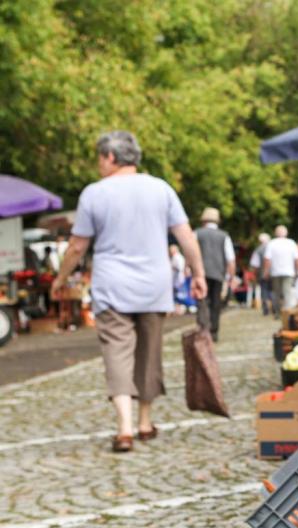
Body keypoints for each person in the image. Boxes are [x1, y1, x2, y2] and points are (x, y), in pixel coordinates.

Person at [50, 130, 206, 453]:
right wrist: (199, 274)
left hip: (112, 286)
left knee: (116, 352)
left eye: (99, 158)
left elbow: (77, 246)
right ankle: (145, 422)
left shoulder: (94, 193)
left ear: (110, 157)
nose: (98, 164)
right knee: (149, 351)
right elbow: (186, 236)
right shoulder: (161, 188)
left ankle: (124, 429)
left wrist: (60, 278)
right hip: (154, 285)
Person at [195, 207, 235, 342]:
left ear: (204, 220)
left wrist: (189, 268)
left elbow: (191, 253)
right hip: (218, 273)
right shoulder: (224, 236)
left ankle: (203, 329)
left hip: (200, 273)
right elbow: (230, 259)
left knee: (202, 301)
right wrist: (230, 277)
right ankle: (214, 331)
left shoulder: (197, 233)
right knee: (215, 302)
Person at [262, 225, 298, 318]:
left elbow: (267, 259)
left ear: (276, 233)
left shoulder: (272, 243)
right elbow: (297, 259)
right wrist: (297, 270)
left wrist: (266, 271)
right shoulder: (291, 243)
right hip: (288, 272)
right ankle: (288, 314)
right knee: (287, 293)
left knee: (276, 293)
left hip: (275, 272)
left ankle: (278, 313)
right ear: (286, 233)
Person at [250, 233, 272, 314]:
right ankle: (274, 307)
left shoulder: (258, 250)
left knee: (264, 290)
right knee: (273, 290)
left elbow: (255, 264)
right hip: (274, 273)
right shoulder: (274, 248)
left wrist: (255, 274)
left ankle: (266, 308)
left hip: (262, 273)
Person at [169, 244, 187, 315]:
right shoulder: (178, 257)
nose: (170, 251)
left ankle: (179, 309)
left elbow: (179, 268)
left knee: (178, 295)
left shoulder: (177, 257)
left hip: (178, 279)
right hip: (177, 279)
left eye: (171, 250)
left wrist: (172, 267)